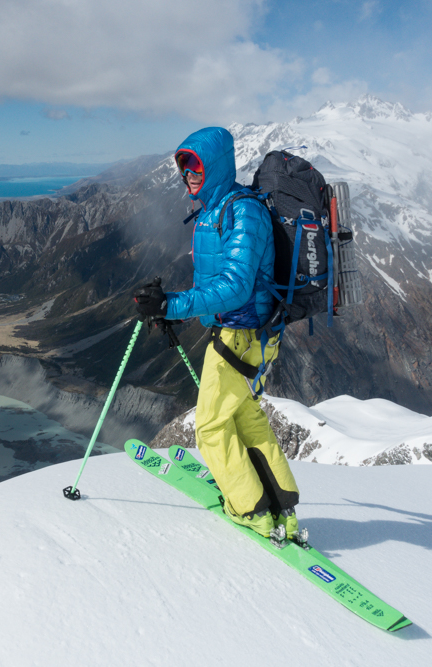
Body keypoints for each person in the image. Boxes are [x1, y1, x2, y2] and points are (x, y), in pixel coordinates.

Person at [132, 126, 300, 540]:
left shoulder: (243, 212)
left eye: (196, 164)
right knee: (246, 419)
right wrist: (179, 310)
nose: (188, 173)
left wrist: (174, 305)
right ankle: (282, 508)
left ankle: (250, 509)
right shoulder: (217, 209)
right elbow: (224, 285)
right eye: (183, 165)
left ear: (217, 165)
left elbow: (236, 287)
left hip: (241, 336)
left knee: (209, 428)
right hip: (246, 334)